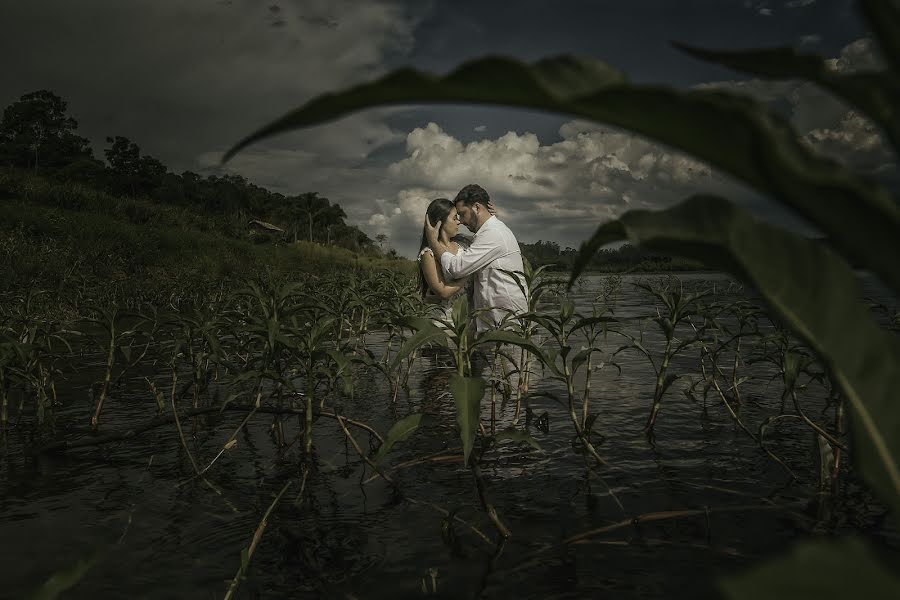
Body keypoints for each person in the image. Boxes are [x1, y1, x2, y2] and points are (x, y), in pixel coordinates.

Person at [423, 184, 527, 331]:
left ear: (477, 208)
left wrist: (433, 241)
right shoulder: (484, 236)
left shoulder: (493, 234)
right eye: (456, 217)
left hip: (507, 323)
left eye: (462, 214)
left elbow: (457, 268)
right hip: (490, 323)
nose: (461, 221)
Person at [416, 198, 471, 322]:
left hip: (466, 320)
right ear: (440, 222)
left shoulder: (463, 246)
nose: (459, 222)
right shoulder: (428, 254)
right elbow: (443, 292)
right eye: (454, 218)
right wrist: (470, 271)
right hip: (442, 321)